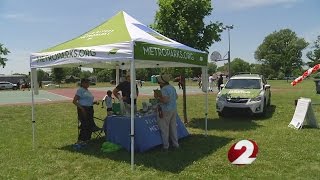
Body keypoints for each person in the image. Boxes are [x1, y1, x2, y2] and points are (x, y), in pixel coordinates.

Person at [154, 74, 179, 150]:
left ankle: (165, 146)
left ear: (161, 82)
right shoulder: (172, 87)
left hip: (165, 110)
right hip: (173, 109)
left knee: (164, 129)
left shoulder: (164, 89)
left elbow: (165, 100)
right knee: (173, 127)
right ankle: (175, 144)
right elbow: (176, 97)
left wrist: (157, 97)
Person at [72, 78, 99, 145]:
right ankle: (81, 140)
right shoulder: (80, 90)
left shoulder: (87, 91)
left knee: (90, 124)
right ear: (82, 83)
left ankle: (87, 139)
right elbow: (74, 101)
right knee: (84, 124)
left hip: (90, 109)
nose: (88, 84)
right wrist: (82, 108)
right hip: (83, 109)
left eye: (88, 83)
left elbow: (87, 101)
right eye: (86, 83)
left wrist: (94, 103)